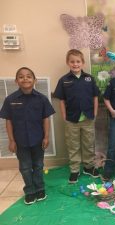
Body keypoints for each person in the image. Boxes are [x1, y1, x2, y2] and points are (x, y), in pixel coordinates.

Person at [0, 67, 55, 205]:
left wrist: (46, 137)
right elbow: (9, 121)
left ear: (34, 80)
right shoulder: (10, 100)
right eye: (21, 76)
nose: (25, 78)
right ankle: (30, 191)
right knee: (25, 167)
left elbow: (46, 119)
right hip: (20, 142)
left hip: (38, 140)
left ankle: (40, 188)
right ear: (16, 81)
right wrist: (11, 140)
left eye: (29, 76)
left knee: (38, 165)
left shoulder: (42, 99)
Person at [54, 49, 100, 184]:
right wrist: (64, 116)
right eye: (72, 62)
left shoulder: (89, 79)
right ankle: (74, 170)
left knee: (88, 144)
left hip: (88, 118)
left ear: (83, 63)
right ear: (68, 63)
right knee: (73, 145)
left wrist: (95, 113)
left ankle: (88, 166)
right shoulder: (64, 80)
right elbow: (61, 100)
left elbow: (95, 97)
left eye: (78, 61)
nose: (75, 64)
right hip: (71, 119)